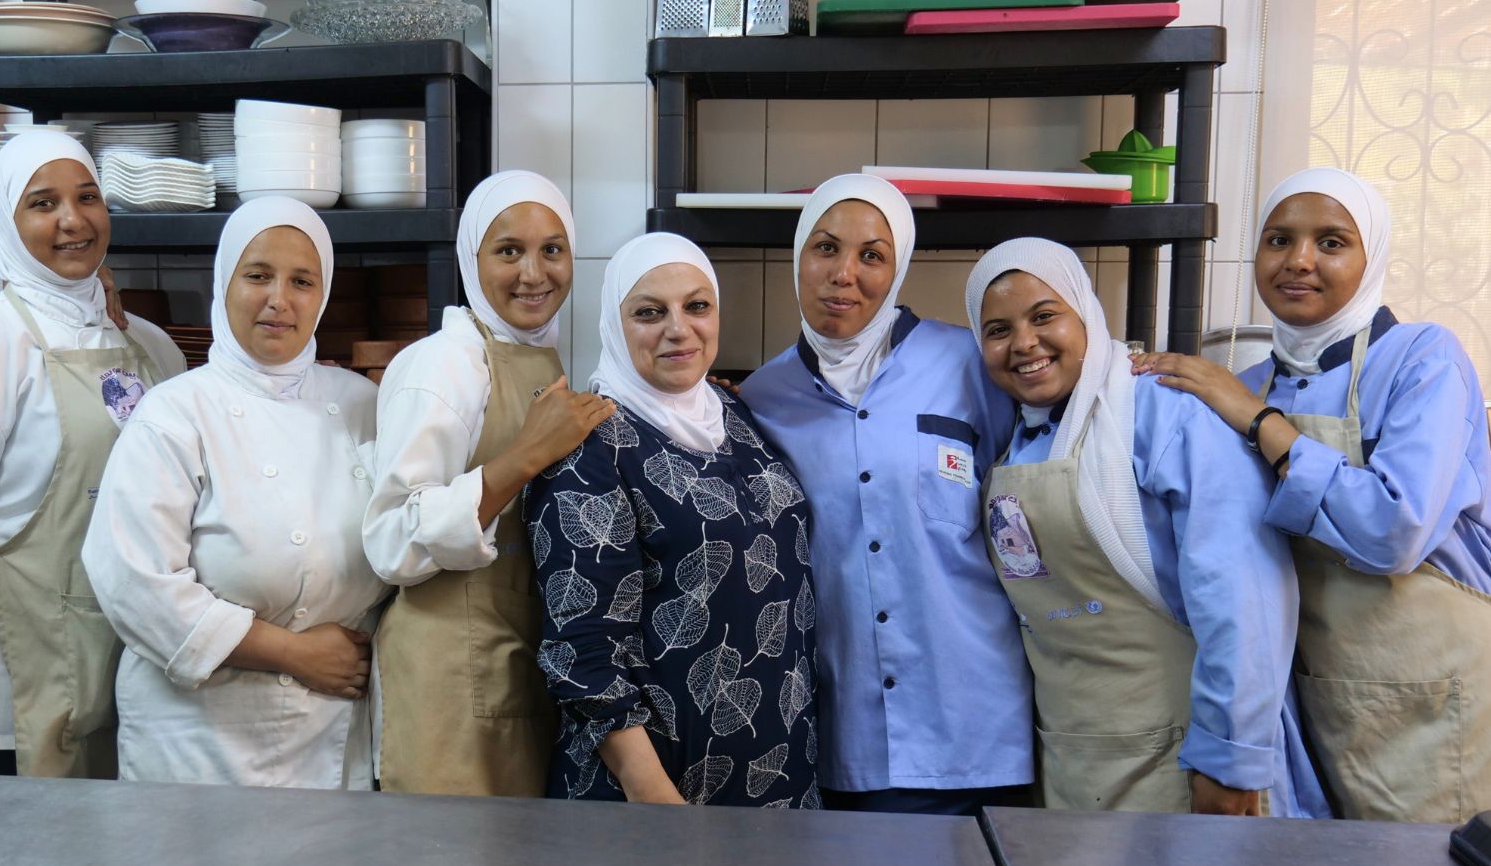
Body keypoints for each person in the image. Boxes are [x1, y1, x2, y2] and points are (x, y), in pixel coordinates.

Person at [1132, 169, 1491, 822]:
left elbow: (1394, 531)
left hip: (1432, 702)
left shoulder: (1423, 359)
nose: (1299, 260)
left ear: (1371, 255)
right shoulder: (1245, 383)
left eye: (1331, 242)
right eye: (1278, 240)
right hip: (1314, 707)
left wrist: (1259, 420)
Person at [965, 238, 1310, 816]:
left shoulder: (1163, 413)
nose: (1023, 343)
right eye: (997, 330)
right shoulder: (1016, 445)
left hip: (1183, 760)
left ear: (1087, 315)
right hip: (1074, 763)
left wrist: (1229, 761)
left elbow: (1242, 600)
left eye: (1045, 316)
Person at [740, 177, 1033, 814]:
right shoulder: (760, 400)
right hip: (846, 735)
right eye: (825, 248)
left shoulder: (970, 364)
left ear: (897, 270)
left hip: (978, 725)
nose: (844, 274)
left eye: (872, 255)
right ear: (799, 257)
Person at [81, 199, 389, 787]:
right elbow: (136, 585)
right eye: (258, 276)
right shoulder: (174, 415)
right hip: (199, 735)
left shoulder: (362, 406)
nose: (280, 299)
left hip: (332, 727)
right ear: (224, 282)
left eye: (302, 281)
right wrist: (295, 653)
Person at [0, 129, 184, 778]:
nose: (72, 220)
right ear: (7, 223)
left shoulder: (153, 348)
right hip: (2, 687)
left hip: (129, 668)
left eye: (87, 197)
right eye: (42, 203)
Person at [527, 233, 820, 807]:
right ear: (615, 324)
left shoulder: (733, 413)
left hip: (779, 767)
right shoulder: (589, 448)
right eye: (649, 313)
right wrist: (659, 804)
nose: (679, 329)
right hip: (660, 792)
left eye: (697, 306)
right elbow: (581, 654)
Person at [364, 171, 613, 797]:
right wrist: (523, 456)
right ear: (471, 260)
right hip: (446, 677)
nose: (534, 273)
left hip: (514, 667)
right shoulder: (443, 364)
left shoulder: (540, 354)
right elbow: (392, 539)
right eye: (509, 252)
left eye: (552, 250)